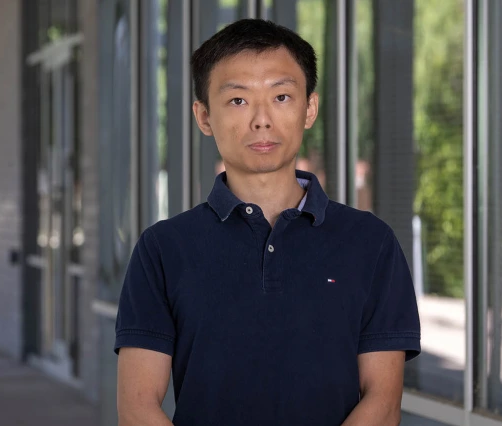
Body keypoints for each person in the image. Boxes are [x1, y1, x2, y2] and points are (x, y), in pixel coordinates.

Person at [115, 18, 420, 426]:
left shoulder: (370, 242)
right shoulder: (163, 248)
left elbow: (382, 403)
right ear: (204, 116)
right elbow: (137, 408)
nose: (262, 120)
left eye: (281, 96)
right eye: (238, 100)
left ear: (309, 108)